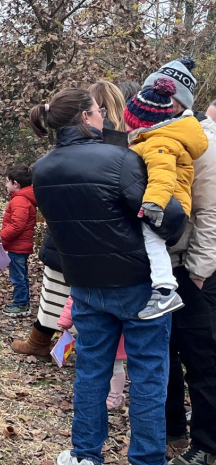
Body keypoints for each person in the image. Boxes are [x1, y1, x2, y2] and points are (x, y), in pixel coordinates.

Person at [28, 88, 185, 465]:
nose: (104, 117)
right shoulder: (121, 159)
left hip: (83, 284)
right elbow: (168, 214)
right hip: (137, 284)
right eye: (98, 111)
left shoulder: (41, 169)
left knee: (91, 371)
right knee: (148, 374)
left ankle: (85, 453)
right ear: (85, 117)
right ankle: (147, 458)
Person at [11, 82, 129, 356]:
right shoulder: (113, 147)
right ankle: (47, 341)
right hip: (87, 236)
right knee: (61, 291)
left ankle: (57, 343)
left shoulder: (104, 148)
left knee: (67, 293)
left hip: (74, 237)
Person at [158, 58, 216, 465]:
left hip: (195, 270)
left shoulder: (204, 144)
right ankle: (172, 426)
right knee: (167, 350)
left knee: (201, 359)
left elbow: (210, 215)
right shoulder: (154, 135)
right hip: (164, 266)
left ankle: (207, 445)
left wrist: (197, 273)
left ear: (177, 102)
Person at [124, 78, 209, 319]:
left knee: (152, 240)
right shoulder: (160, 137)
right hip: (168, 203)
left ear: (140, 121)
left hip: (166, 205)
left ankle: (164, 291)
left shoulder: (158, 142)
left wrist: (154, 203)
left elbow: (163, 175)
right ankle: (162, 288)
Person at [58, 296, 128, 411]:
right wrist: (65, 322)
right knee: (93, 363)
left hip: (116, 330)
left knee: (115, 365)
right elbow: (74, 297)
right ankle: (91, 393)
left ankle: (115, 394)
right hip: (94, 330)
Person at [0, 164, 37, 317]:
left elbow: (17, 225)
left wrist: (2, 236)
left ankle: (21, 304)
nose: (6, 185)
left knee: (17, 276)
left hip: (18, 247)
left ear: (15, 184)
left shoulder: (20, 200)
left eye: (7, 182)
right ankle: (23, 302)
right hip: (19, 245)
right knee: (21, 275)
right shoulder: (24, 198)